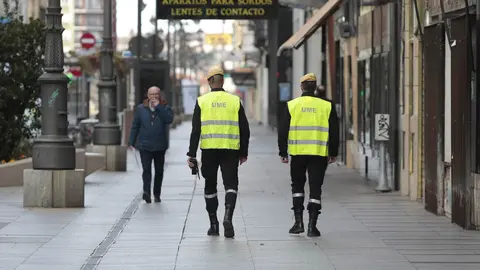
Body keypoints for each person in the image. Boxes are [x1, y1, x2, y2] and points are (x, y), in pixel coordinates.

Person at [187, 67, 250, 239]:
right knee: (231, 185)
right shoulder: (235, 101)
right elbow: (245, 129)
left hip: (209, 150)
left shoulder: (202, 101)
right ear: (222, 81)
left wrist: (191, 154)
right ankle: (228, 216)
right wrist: (243, 152)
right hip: (230, 149)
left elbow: (195, 130)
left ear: (209, 82)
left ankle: (213, 224)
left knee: (210, 186)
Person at [277, 73, 339, 237]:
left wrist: (283, 152)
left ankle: (298, 223)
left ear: (302, 86)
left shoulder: (292, 105)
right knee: (315, 188)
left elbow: (283, 130)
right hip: (319, 154)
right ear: (315, 86)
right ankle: (312, 226)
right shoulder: (327, 105)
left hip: (298, 154)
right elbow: (334, 131)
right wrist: (333, 152)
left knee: (297, 187)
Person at [128, 86, 174, 204]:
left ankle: (157, 193)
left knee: (159, 171)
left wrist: (159, 107)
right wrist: (131, 142)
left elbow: (169, 119)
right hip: (145, 145)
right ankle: (146, 192)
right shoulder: (141, 108)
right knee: (146, 170)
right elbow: (135, 125)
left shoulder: (165, 107)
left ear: (159, 95)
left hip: (160, 146)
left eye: (156, 94)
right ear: (147, 96)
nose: (154, 97)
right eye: (151, 94)